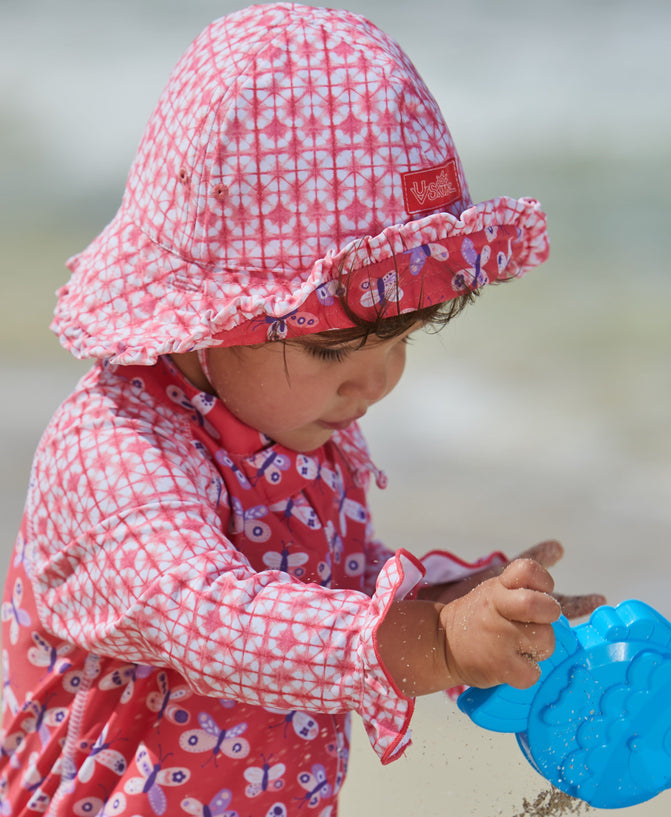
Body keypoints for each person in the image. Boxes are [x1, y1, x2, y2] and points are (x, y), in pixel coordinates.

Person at [0, 5, 604, 815]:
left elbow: (328, 582)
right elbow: (213, 618)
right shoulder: (113, 451)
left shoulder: (287, 422)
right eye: (332, 349)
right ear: (214, 313)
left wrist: (466, 611)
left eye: (402, 338)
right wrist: (429, 646)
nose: (378, 381)